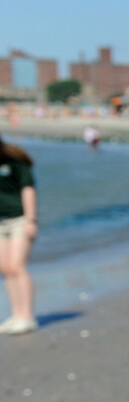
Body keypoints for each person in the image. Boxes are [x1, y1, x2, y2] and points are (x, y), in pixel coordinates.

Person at [0, 136, 38, 335]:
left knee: (16, 265)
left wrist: (31, 219)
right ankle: (16, 315)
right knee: (5, 268)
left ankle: (28, 316)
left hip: (20, 220)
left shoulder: (15, 162)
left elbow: (28, 189)